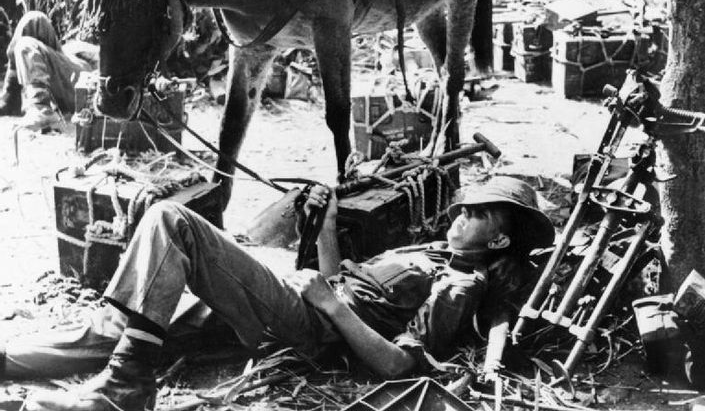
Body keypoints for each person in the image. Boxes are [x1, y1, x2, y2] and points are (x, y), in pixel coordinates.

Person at [26, 176, 555, 411]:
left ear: (500, 239)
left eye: (477, 214)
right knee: (135, 324)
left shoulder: (460, 284)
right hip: (304, 301)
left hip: (310, 326)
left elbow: (400, 367)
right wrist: (325, 229)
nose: (461, 215)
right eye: (466, 207)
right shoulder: (434, 250)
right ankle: (19, 361)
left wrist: (329, 305)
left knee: (172, 222)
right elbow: (342, 281)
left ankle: (125, 389)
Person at [0, 10, 98, 131]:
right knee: (35, 19)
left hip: (86, 76)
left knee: (24, 45)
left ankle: (41, 108)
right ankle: (12, 95)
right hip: (71, 56)